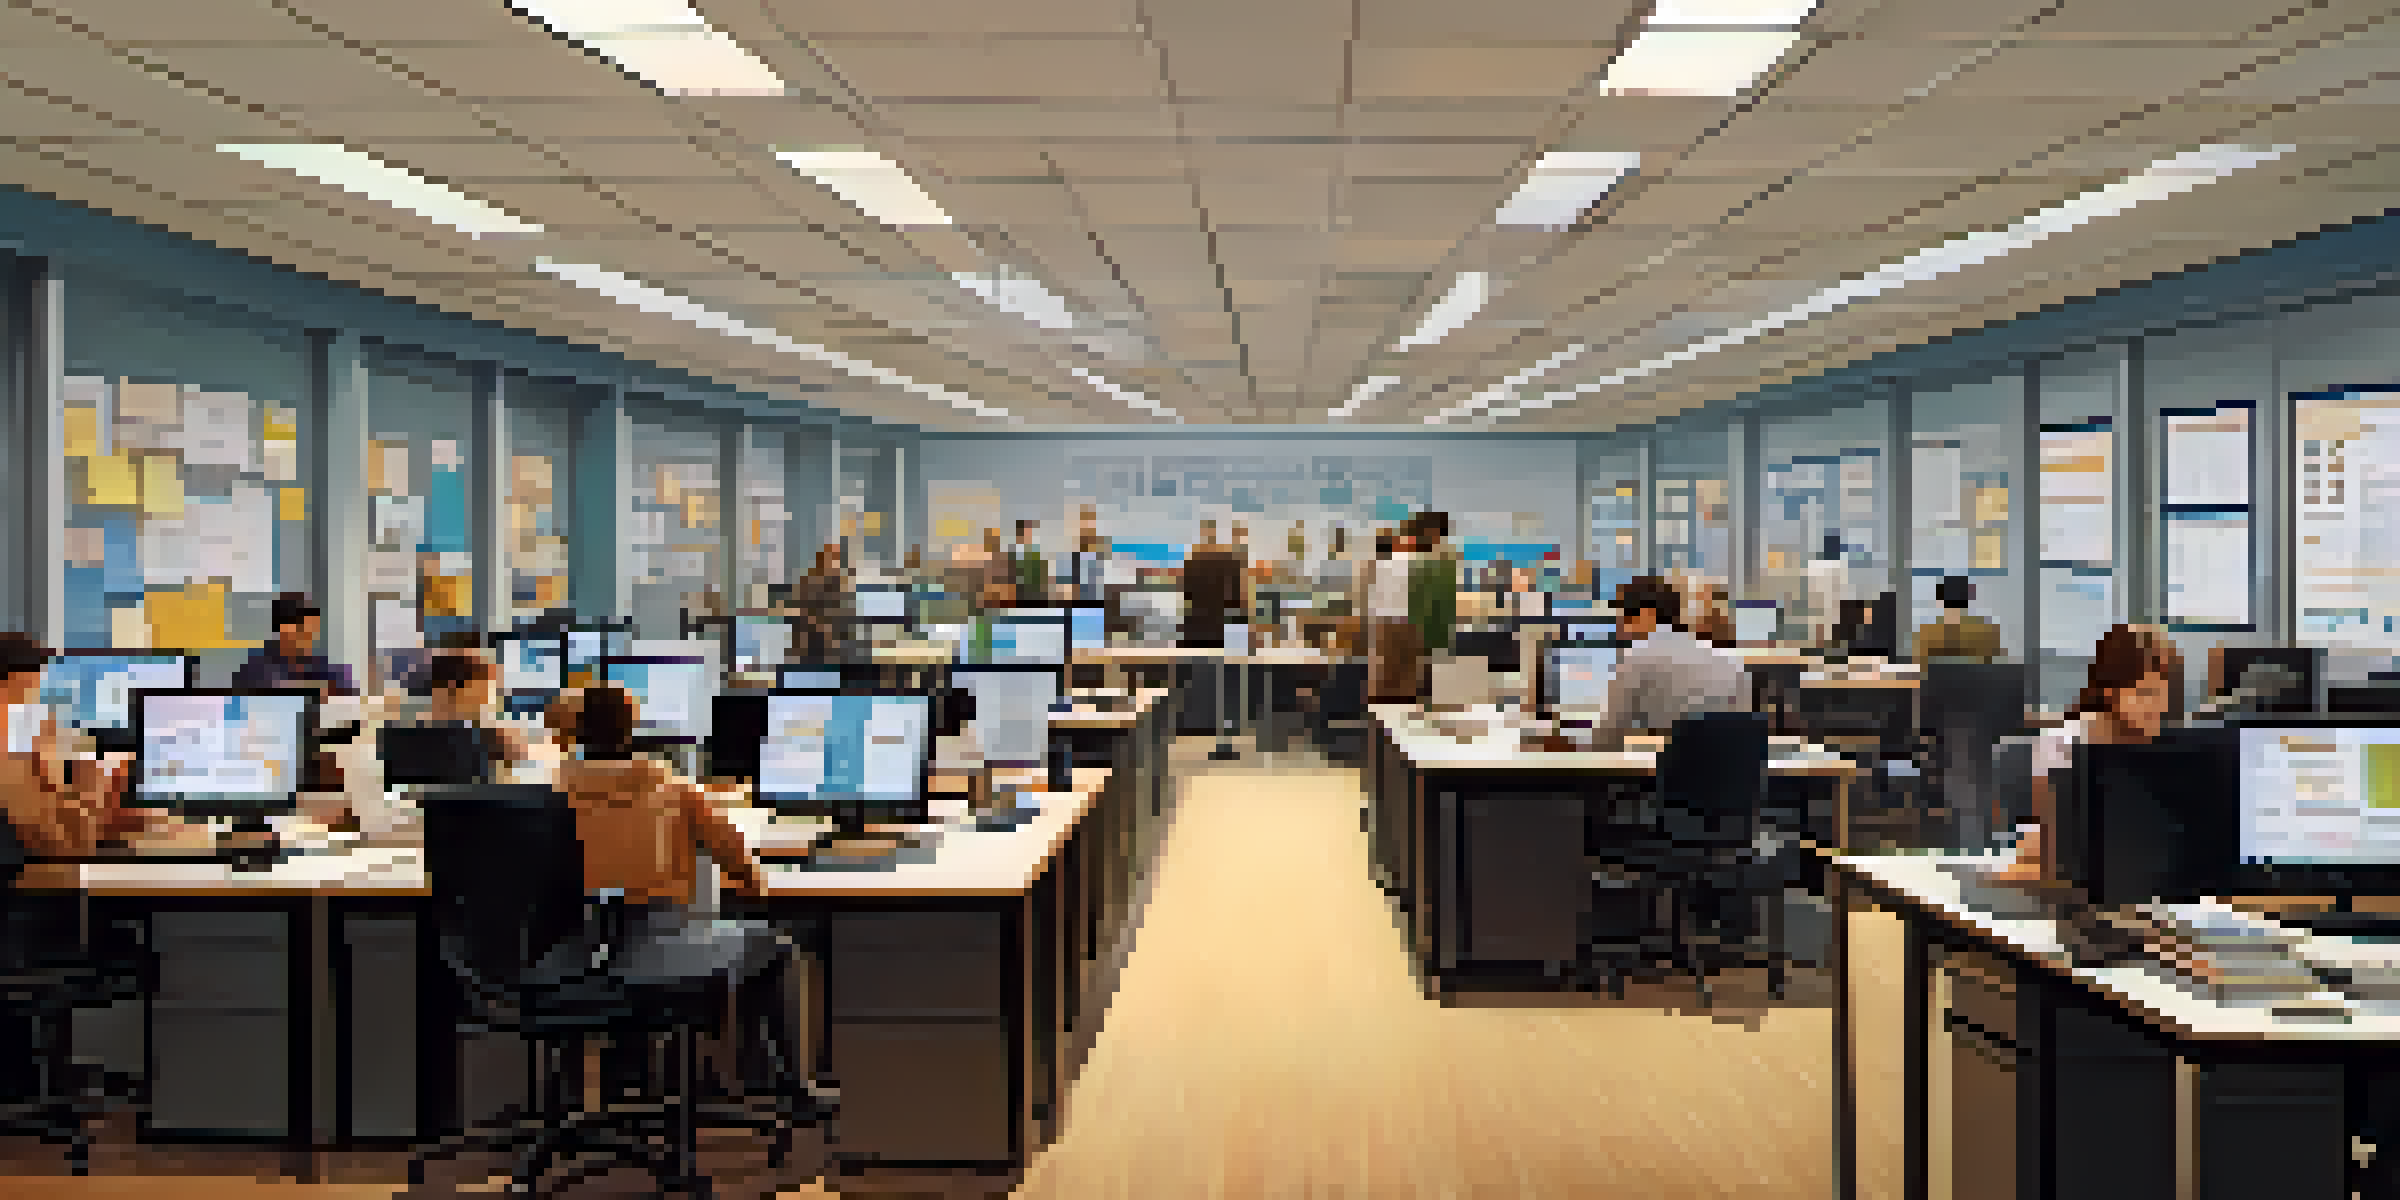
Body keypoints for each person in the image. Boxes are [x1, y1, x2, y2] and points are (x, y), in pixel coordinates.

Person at [555, 684, 799, 1100]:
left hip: (567, 960)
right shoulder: (673, 788)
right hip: (660, 956)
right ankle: (780, 1084)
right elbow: (743, 868)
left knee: (617, 955)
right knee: (774, 946)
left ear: (573, 733)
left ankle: (607, 1085)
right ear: (632, 728)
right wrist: (748, 883)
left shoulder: (547, 793)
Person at [1993, 624, 2182, 884]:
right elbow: (2039, 847)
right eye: (2145, 693)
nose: (2158, 707)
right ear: (2110, 691)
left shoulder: (2162, 747)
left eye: (2164, 695)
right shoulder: (2068, 744)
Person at [0, 633, 131, 859]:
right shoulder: (15, 743)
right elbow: (67, 849)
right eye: (25, 699)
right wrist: (92, 792)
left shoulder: (28, 736)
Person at [1601, 575, 1750, 739]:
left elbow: (1608, 734)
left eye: (1622, 619)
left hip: (1683, 761)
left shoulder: (1638, 654)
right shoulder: (1725, 660)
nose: (1619, 630)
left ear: (1646, 614)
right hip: (1736, 761)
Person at [234, 593, 358, 696]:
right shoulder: (256, 666)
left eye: (313, 631)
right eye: (302, 631)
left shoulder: (323, 667)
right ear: (281, 629)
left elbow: (347, 692)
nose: (309, 639)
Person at [1179, 520, 1245, 649]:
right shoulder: (1223, 558)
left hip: (1201, 615)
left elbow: (1187, 591)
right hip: (1211, 615)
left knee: (1198, 650)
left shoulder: (1194, 559)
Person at [1915, 575, 2006, 662]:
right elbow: (1999, 662)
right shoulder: (1988, 630)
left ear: (1940, 600)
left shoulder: (1927, 633)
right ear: (1969, 598)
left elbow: (1918, 667)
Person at [1010, 520, 1048, 608]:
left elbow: (1042, 575)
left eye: (1030, 531)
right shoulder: (1015, 552)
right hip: (1019, 596)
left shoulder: (1037, 552)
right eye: (1027, 531)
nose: (1029, 535)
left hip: (1036, 596)